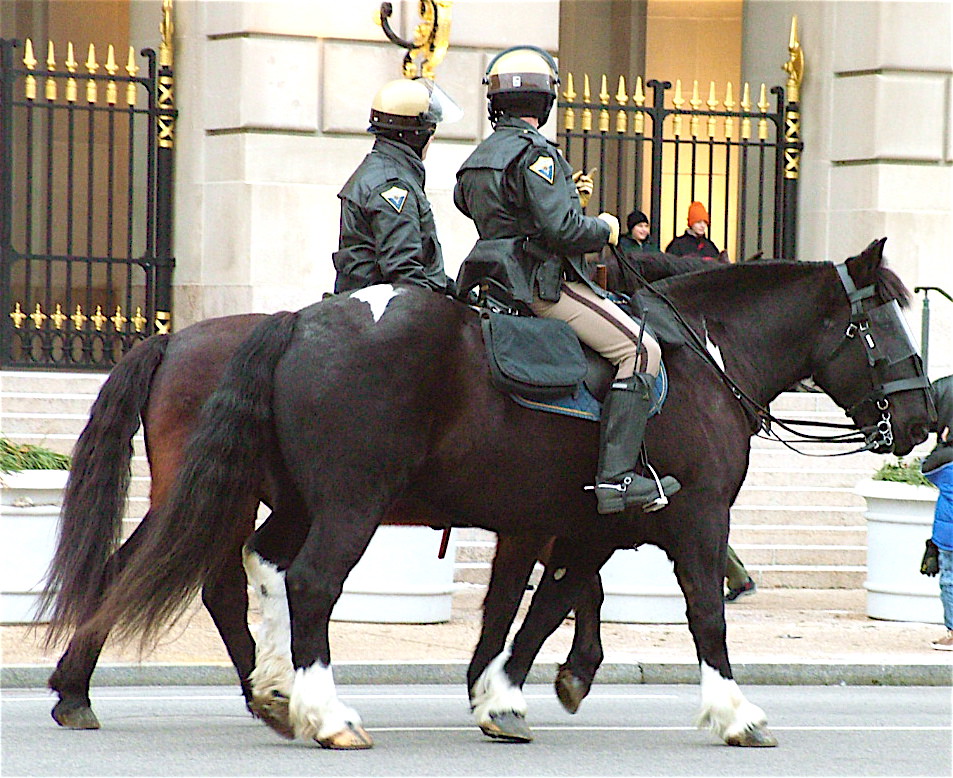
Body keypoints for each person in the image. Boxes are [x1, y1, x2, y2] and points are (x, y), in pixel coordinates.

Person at [453, 45, 680, 515]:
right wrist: (604, 226)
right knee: (641, 350)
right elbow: (564, 231)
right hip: (538, 286)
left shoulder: (476, 158)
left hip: (491, 282)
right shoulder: (538, 154)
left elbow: (469, 204)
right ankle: (616, 479)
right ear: (544, 102)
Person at [332, 78, 455, 294]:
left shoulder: (381, 170)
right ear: (415, 134)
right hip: (381, 316)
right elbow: (405, 273)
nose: (432, 137)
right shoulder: (392, 186)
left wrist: (457, 291)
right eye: (430, 129)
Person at [922, 375, 953, 650]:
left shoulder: (944, 466)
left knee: (950, 581)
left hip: (949, 538)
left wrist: (945, 443)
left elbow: (927, 468)